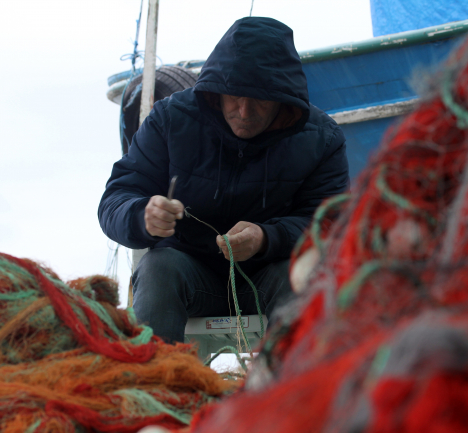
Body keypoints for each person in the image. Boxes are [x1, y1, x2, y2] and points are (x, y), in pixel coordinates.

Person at [98, 17, 349, 343]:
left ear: (283, 99)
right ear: (215, 93)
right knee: (158, 267)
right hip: (187, 274)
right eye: (233, 97)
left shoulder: (322, 139)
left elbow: (330, 224)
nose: (244, 111)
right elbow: (117, 199)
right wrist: (141, 215)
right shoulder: (169, 120)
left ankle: (291, 388)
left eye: (259, 99)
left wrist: (266, 238)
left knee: (303, 276)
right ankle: (157, 385)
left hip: (268, 274)